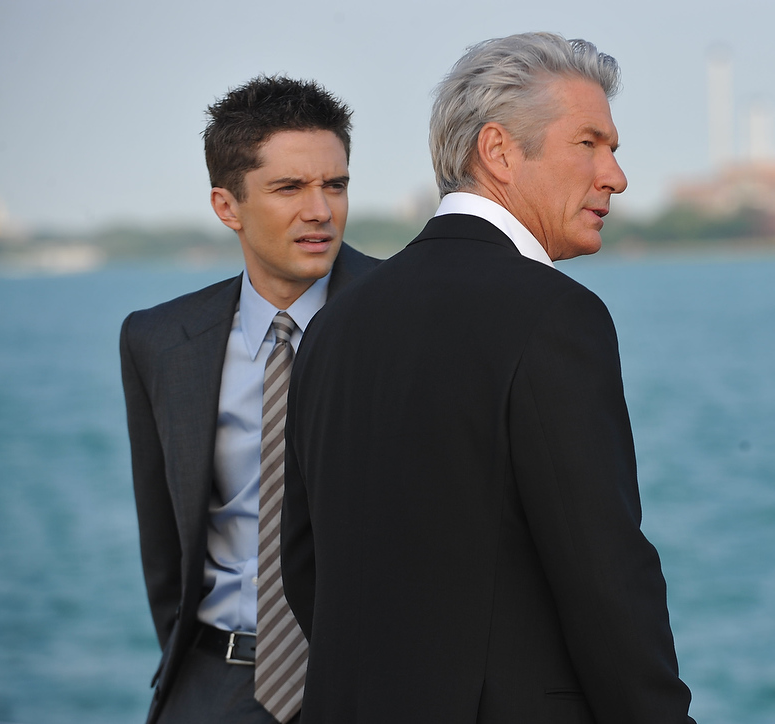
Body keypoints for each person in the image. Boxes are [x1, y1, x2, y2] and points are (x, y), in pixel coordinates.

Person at [282, 33, 695, 723]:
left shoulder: (332, 323)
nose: (616, 176)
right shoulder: (555, 315)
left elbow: (305, 567)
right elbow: (605, 577)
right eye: (589, 144)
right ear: (499, 151)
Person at [120, 75, 379, 724]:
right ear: (227, 205)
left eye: (335, 185)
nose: (320, 210)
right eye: (289, 188)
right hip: (213, 685)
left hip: (371, 686)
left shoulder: (409, 318)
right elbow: (164, 543)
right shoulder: (159, 340)